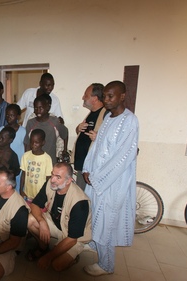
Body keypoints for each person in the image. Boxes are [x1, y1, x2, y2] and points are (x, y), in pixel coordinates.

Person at [82, 81, 139, 276]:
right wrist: (87, 169)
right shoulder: (108, 118)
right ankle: (93, 243)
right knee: (94, 214)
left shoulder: (130, 121)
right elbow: (95, 147)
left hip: (112, 183)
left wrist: (98, 177)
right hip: (96, 178)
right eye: (104, 96)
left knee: (107, 221)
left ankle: (106, 265)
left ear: (122, 96)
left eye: (110, 96)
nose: (106, 100)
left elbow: (123, 156)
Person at [26, 162, 91, 272]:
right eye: (52, 175)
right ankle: (43, 248)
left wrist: (48, 257)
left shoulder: (80, 203)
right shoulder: (50, 185)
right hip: (56, 223)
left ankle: (73, 257)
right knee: (29, 220)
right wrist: (42, 222)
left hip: (74, 238)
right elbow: (35, 204)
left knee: (56, 265)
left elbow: (72, 238)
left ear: (69, 181)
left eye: (58, 177)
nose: (53, 180)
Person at [73, 83, 107, 190]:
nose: (83, 98)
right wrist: (78, 128)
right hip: (82, 167)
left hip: (92, 169)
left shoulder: (106, 114)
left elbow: (110, 138)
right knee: (81, 199)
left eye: (86, 95)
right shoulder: (91, 114)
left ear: (95, 98)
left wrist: (99, 137)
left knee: (89, 200)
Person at [24, 94, 68, 165]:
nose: (38, 111)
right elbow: (27, 143)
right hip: (35, 161)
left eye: (41, 108)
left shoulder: (55, 121)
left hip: (50, 161)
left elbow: (65, 134)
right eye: (36, 108)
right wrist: (26, 159)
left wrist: (65, 150)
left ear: (47, 108)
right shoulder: (30, 123)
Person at [0, 104, 26, 193]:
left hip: (19, 166)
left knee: (17, 188)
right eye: (7, 115)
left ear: (18, 116)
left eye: (12, 115)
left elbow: (27, 148)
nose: (9, 117)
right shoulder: (0, 130)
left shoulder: (23, 131)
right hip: (4, 165)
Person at [20, 129, 52, 203]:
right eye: (32, 142)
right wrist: (21, 190)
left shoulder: (47, 158)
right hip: (27, 194)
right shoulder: (26, 156)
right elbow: (23, 174)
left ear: (43, 142)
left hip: (40, 195)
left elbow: (48, 179)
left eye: (37, 142)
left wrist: (45, 194)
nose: (33, 144)